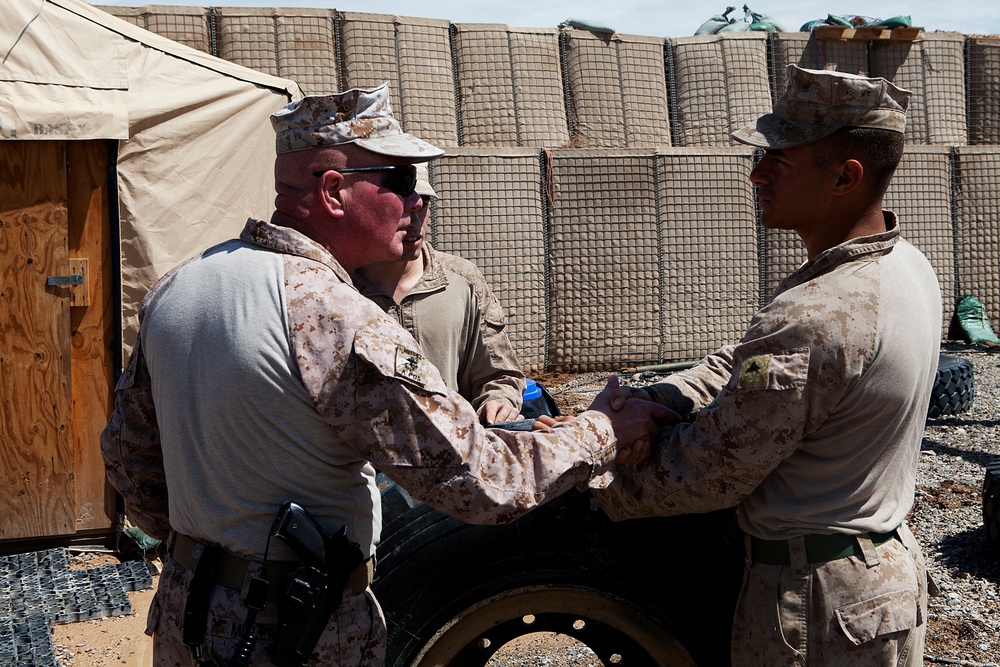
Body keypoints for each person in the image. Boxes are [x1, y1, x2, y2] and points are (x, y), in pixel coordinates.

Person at [100, 83, 669, 667]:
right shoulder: (328, 313)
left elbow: (129, 459)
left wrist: (216, 550)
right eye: (398, 181)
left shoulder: (182, 284)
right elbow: (482, 480)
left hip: (188, 618)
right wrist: (603, 431)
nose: (418, 200)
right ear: (333, 191)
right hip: (292, 628)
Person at [597, 64, 940, 666]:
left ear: (846, 176)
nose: (757, 175)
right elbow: (751, 363)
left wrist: (592, 465)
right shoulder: (902, 265)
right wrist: (670, 399)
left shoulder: (821, 313)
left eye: (778, 161)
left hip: (815, 608)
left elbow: (710, 470)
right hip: (873, 581)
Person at [351, 163, 526, 425]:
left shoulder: (462, 281)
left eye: (423, 203)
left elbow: (499, 374)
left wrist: (498, 402)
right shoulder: (338, 287)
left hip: (451, 453)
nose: (415, 219)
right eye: (401, 204)